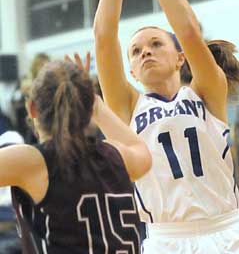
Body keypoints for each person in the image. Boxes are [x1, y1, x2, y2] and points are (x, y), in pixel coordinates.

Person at [93, 0, 239, 253]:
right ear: (132, 71)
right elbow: (103, 36)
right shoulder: (127, 105)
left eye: (156, 44)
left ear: (180, 57)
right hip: (166, 237)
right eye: (136, 52)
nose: (146, 53)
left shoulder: (207, 91)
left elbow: (188, 30)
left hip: (227, 229)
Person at [0, 59, 152, 253]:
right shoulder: (117, 155)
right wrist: (95, 102)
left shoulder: (32, 162)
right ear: (89, 107)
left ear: (32, 108)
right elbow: (141, 151)